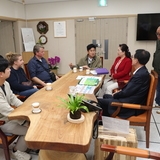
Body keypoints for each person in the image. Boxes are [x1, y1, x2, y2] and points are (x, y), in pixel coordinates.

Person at [98, 49, 150, 119]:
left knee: (99, 102)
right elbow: (130, 89)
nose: (131, 58)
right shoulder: (142, 71)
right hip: (130, 99)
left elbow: (127, 92)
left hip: (130, 105)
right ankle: (106, 121)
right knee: (106, 96)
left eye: (133, 57)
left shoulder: (140, 75)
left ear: (137, 60)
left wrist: (116, 94)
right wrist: (119, 92)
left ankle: (105, 122)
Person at [0, 58, 31, 160]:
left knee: (30, 124)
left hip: (10, 117)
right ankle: (16, 151)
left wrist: (26, 108)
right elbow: (8, 111)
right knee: (30, 130)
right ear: (1, 74)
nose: (10, 70)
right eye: (8, 68)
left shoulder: (5, 83)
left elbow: (13, 99)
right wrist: (25, 119)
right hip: (3, 122)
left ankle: (27, 145)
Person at [152, 26, 160, 110]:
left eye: (159, 34)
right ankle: (158, 102)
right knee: (158, 86)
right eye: (157, 34)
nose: (158, 36)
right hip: (157, 68)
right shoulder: (158, 41)